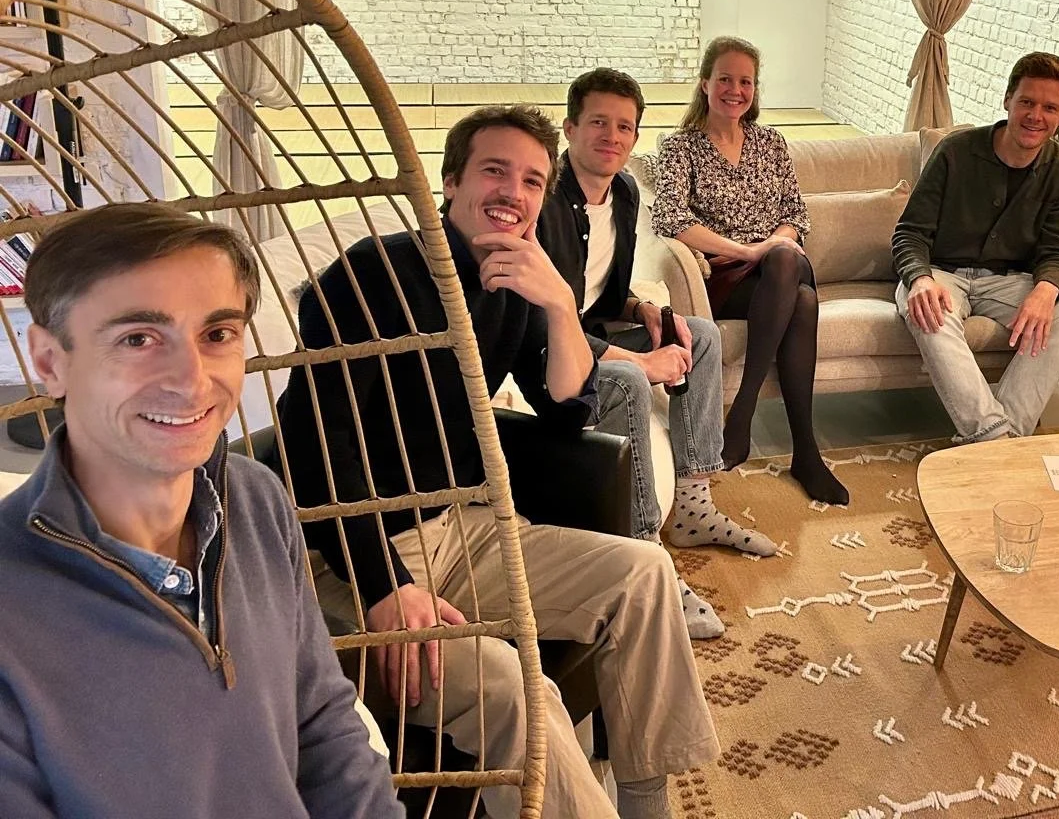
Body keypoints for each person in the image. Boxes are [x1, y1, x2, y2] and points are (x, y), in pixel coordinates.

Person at [276, 105, 719, 819]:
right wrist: (385, 583)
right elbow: (311, 449)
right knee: (520, 690)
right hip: (353, 561)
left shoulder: (513, 284)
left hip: (462, 529)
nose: (514, 192)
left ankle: (645, 802)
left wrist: (558, 306)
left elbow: (564, 401)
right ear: (449, 182)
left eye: (533, 181)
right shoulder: (366, 278)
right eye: (495, 171)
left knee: (645, 572)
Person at [0, 203, 401, 819]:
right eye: (138, 339)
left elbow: (324, 727)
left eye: (217, 335)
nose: (192, 380)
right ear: (49, 361)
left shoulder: (257, 501)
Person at [538, 67, 778, 640]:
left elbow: (595, 294)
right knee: (626, 383)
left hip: (594, 328)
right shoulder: (544, 203)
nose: (612, 136)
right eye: (598, 122)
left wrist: (642, 312)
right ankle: (647, 553)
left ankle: (694, 502)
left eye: (625, 126)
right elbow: (545, 325)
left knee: (703, 333)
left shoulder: (622, 193)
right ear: (570, 128)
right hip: (551, 355)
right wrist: (642, 363)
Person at [653, 36, 848, 504]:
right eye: (725, 79)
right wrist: (747, 252)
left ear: (755, 90)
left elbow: (795, 215)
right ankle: (801, 450)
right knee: (791, 279)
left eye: (745, 81)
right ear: (705, 83)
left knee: (790, 272)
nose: (735, 90)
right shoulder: (681, 147)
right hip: (724, 277)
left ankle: (752, 419)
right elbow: (672, 219)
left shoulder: (771, 143)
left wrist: (771, 247)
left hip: (774, 270)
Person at [891, 51, 1059, 443]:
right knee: (926, 307)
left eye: (1050, 107)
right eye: (1027, 102)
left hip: (1010, 280)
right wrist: (918, 278)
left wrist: (1046, 289)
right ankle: (996, 438)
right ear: (1007, 100)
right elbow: (909, 232)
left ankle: (997, 437)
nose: (1036, 115)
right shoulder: (955, 152)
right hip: (941, 273)